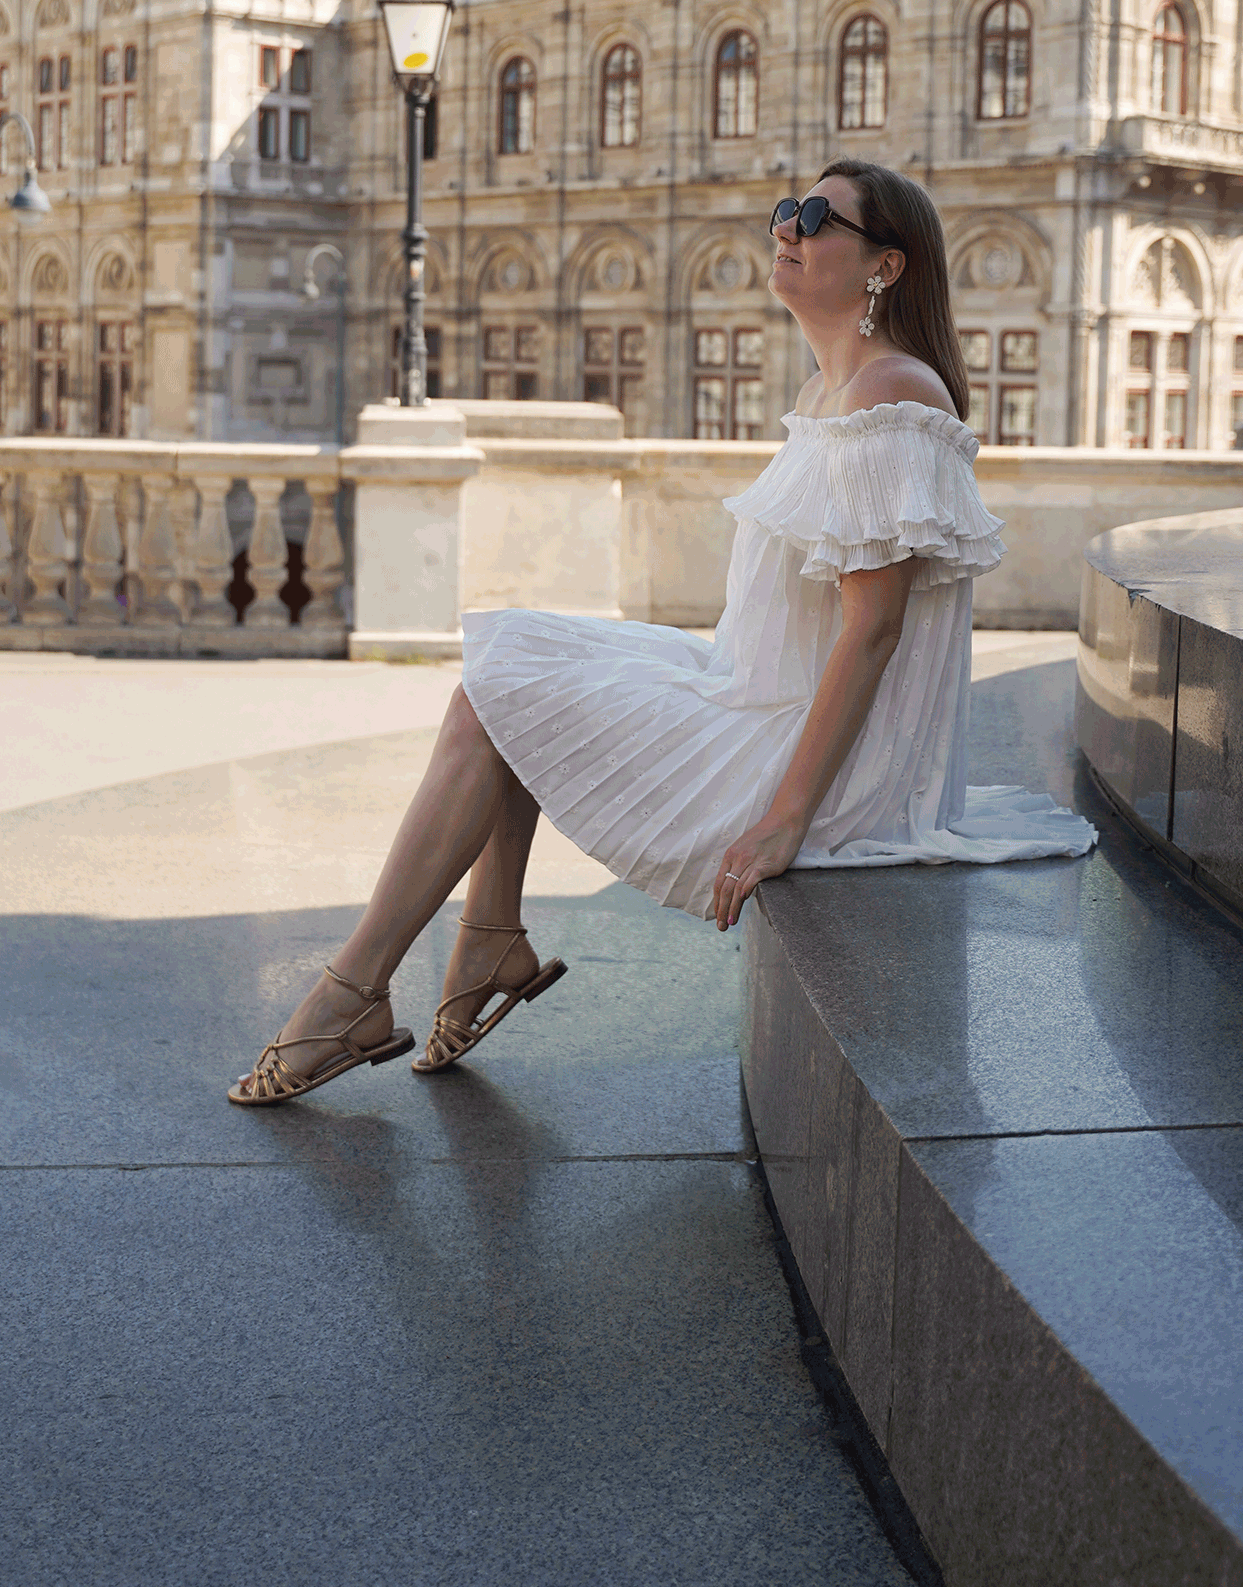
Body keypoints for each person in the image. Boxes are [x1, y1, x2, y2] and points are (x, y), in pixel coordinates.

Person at [229, 156, 1096, 1107]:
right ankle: (481, 944)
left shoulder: (892, 396)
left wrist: (783, 821)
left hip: (816, 757)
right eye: (784, 211)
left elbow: (874, 632)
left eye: (814, 217)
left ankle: (366, 985)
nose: (786, 229)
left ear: (884, 265)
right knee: (517, 664)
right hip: (756, 693)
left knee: (498, 696)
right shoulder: (831, 391)